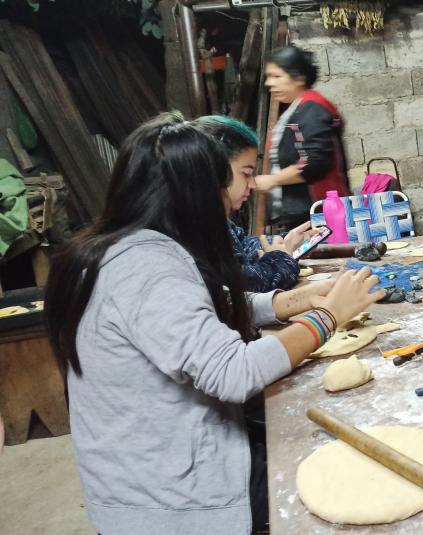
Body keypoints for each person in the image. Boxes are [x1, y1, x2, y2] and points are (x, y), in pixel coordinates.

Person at [44, 113, 384, 535]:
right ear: (195, 192)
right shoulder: (145, 268)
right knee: (341, 475)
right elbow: (233, 372)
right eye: (229, 180)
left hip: (154, 475)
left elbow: (210, 306)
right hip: (172, 503)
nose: (237, 192)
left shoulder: (126, 249)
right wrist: (327, 317)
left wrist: (294, 301)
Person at [194, 115, 316, 292]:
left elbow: (241, 243)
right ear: (215, 170)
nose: (252, 184)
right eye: (245, 173)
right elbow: (246, 282)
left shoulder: (214, 216)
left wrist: (283, 241)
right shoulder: (194, 225)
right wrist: (280, 259)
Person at [256, 46, 349, 230]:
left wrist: (272, 180)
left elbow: (314, 162)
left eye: (277, 76)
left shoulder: (312, 109)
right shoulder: (295, 109)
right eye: (268, 77)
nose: (269, 83)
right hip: (302, 214)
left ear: (299, 78)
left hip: (317, 215)